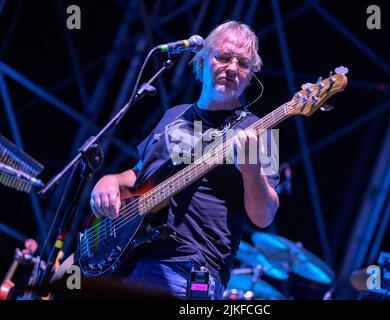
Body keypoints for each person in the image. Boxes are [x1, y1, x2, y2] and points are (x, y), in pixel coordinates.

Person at [89, 21, 280, 299]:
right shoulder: (174, 116)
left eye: (243, 63)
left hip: (187, 269)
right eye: (223, 57)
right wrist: (110, 181)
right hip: (128, 257)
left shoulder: (256, 131)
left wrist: (251, 173)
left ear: (251, 76)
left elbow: (264, 216)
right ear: (201, 61)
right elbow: (141, 173)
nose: (232, 68)